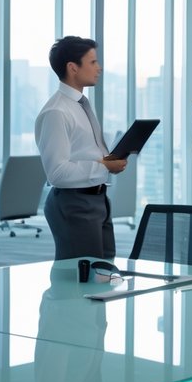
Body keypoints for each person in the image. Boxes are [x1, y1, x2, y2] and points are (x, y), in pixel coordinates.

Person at [35, 36, 127, 260]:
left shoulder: (80, 104)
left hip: (98, 199)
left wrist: (111, 161)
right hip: (74, 203)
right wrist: (105, 166)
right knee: (82, 274)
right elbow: (57, 173)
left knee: (105, 269)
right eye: (93, 62)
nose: (99, 68)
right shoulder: (56, 112)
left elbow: (84, 153)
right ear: (72, 67)